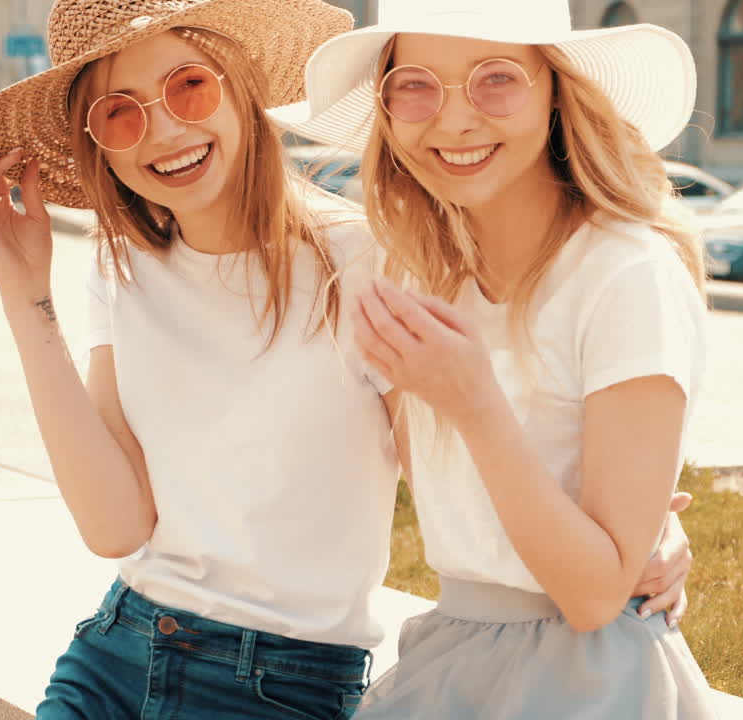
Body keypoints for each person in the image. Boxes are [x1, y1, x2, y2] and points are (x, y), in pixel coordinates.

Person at [0, 0, 696, 717]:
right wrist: (23, 294)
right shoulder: (121, 269)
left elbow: (462, 471)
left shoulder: (369, 262)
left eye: (189, 85)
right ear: (99, 144)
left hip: (278, 679)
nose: (163, 129)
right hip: (115, 649)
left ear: (241, 85)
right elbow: (116, 528)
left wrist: (638, 536)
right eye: (119, 114)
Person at [277, 0, 718, 717]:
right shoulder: (410, 276)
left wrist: (474, 404)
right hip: (453, 658)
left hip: (589, 680)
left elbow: (594, 596)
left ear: (556, 92)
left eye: (497, 78)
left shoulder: (624, 273)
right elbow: (466, 518)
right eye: (415, 84)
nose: (453, 120)